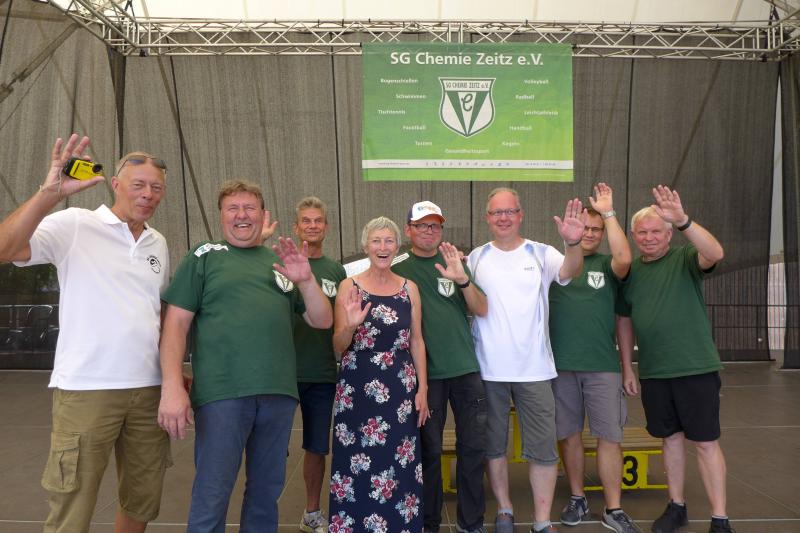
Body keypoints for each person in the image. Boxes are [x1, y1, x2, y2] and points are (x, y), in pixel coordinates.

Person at [0, 134, 170, 533]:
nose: (148, 194)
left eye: (156, 187)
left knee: (142, 497)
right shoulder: (75, 224)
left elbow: (156, 313)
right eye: (138, 184)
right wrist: (49, 193)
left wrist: (171, 373)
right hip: (87, 389)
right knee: (72, 502)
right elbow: (5, 249)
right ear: (116, 184)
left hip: (148, 391)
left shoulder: (157, 242)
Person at [157, 180, 332, 533]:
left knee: (266, 495)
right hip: (222, 394)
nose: (242, 215)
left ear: (263, 215)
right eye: (233, 208)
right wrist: (171, 386)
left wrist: (306, 281)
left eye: (249, 208)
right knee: (212, 492)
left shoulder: (280, 262)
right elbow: (175, 325)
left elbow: (322, 320)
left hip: (278, 396)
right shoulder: (204, 256)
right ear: (221, 216)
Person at [466, 187, 586, 533]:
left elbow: (571, 270)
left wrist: (573, 243)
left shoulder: (542, 252)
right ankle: (504, 510)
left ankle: (541, 520)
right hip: (488, 371)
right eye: (496, 212)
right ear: (487, 218)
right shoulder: (475, 258)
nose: (503, 218)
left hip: (535, 371)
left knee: (543, 449)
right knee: (494, 447)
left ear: (520, 215)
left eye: (510, 211)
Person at [618, 186, 732, 533]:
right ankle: (676, 505)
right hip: (655, 372)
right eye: (642, 232)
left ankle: (720, 518)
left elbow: (715, 252)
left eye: (656, 231)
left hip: (695, 368)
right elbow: (624, 320)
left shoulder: (685, 258)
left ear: (669, 234)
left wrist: (683, 220)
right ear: (633, 236)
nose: (649, 238)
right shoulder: (631, 272)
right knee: (669, 440)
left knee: (706, 442)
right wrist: (628, 366)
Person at [548, 183, 641, 533]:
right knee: (569, 435)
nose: (589, 233)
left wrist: (608, 213)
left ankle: (613, 509)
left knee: (609, 437)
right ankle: (578, 497)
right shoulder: (554, 266)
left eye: (596, 229)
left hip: (602, 367)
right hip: (559, 368)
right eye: (584, 227)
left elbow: (625, 259)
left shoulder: (608, 265)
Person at [392, 201, 489, 533]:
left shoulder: (454, 263)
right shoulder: (398, 267)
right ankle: (428, 523)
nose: (429, 231)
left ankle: (471, 523)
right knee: (429, 452)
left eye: (434, 225)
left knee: (473, 449)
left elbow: (482, 308)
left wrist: (462, 281)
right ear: (409, 230)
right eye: (421, 225)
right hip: (426, 377)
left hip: (466, 371)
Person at [328, 216, 430, 533]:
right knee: (355, 461)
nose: (382, 247)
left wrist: (423, 390)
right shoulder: (349, 286)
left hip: (399, 387)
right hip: (357, 387)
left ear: (397, 247)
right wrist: (350, 325)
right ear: (365, 246)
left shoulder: (410, 289)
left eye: (388, 241)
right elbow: (338, 345)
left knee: (399, 460)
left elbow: (416, 341)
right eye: (376, 241)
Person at [290, 196, 347, 533]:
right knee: (270, 448)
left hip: (322, 373)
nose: (312, 226)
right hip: (282, 373)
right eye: (306, 221)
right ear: (296, 227)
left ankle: (312, 513)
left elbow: (341, 323)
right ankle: (261, 512)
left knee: (316, 447)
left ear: (326, 227)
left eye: (318, 221)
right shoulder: (279, 264)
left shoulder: (335, 271)